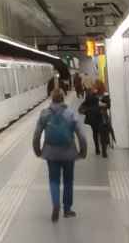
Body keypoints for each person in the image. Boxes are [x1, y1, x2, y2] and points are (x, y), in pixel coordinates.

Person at [32, 88, 87, 222]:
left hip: (51, 153)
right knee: (68, 181)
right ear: (63, 98)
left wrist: (37, 150)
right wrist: (83, 151)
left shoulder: (44, 114)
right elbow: (81, 135)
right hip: (68, 153)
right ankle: (67, 209)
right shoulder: (70, 113)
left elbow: (37, 135)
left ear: (52, 99)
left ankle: (56, 204)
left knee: (54, 180)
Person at [80, 81, 109, 158]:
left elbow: (108, 105)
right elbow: (108, 105)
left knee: (96, 133)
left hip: (94, 117)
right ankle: (102, 151)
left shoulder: (93, 94)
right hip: (99, 117)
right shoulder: (100, 94)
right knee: (100, 133)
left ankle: (98, 149)